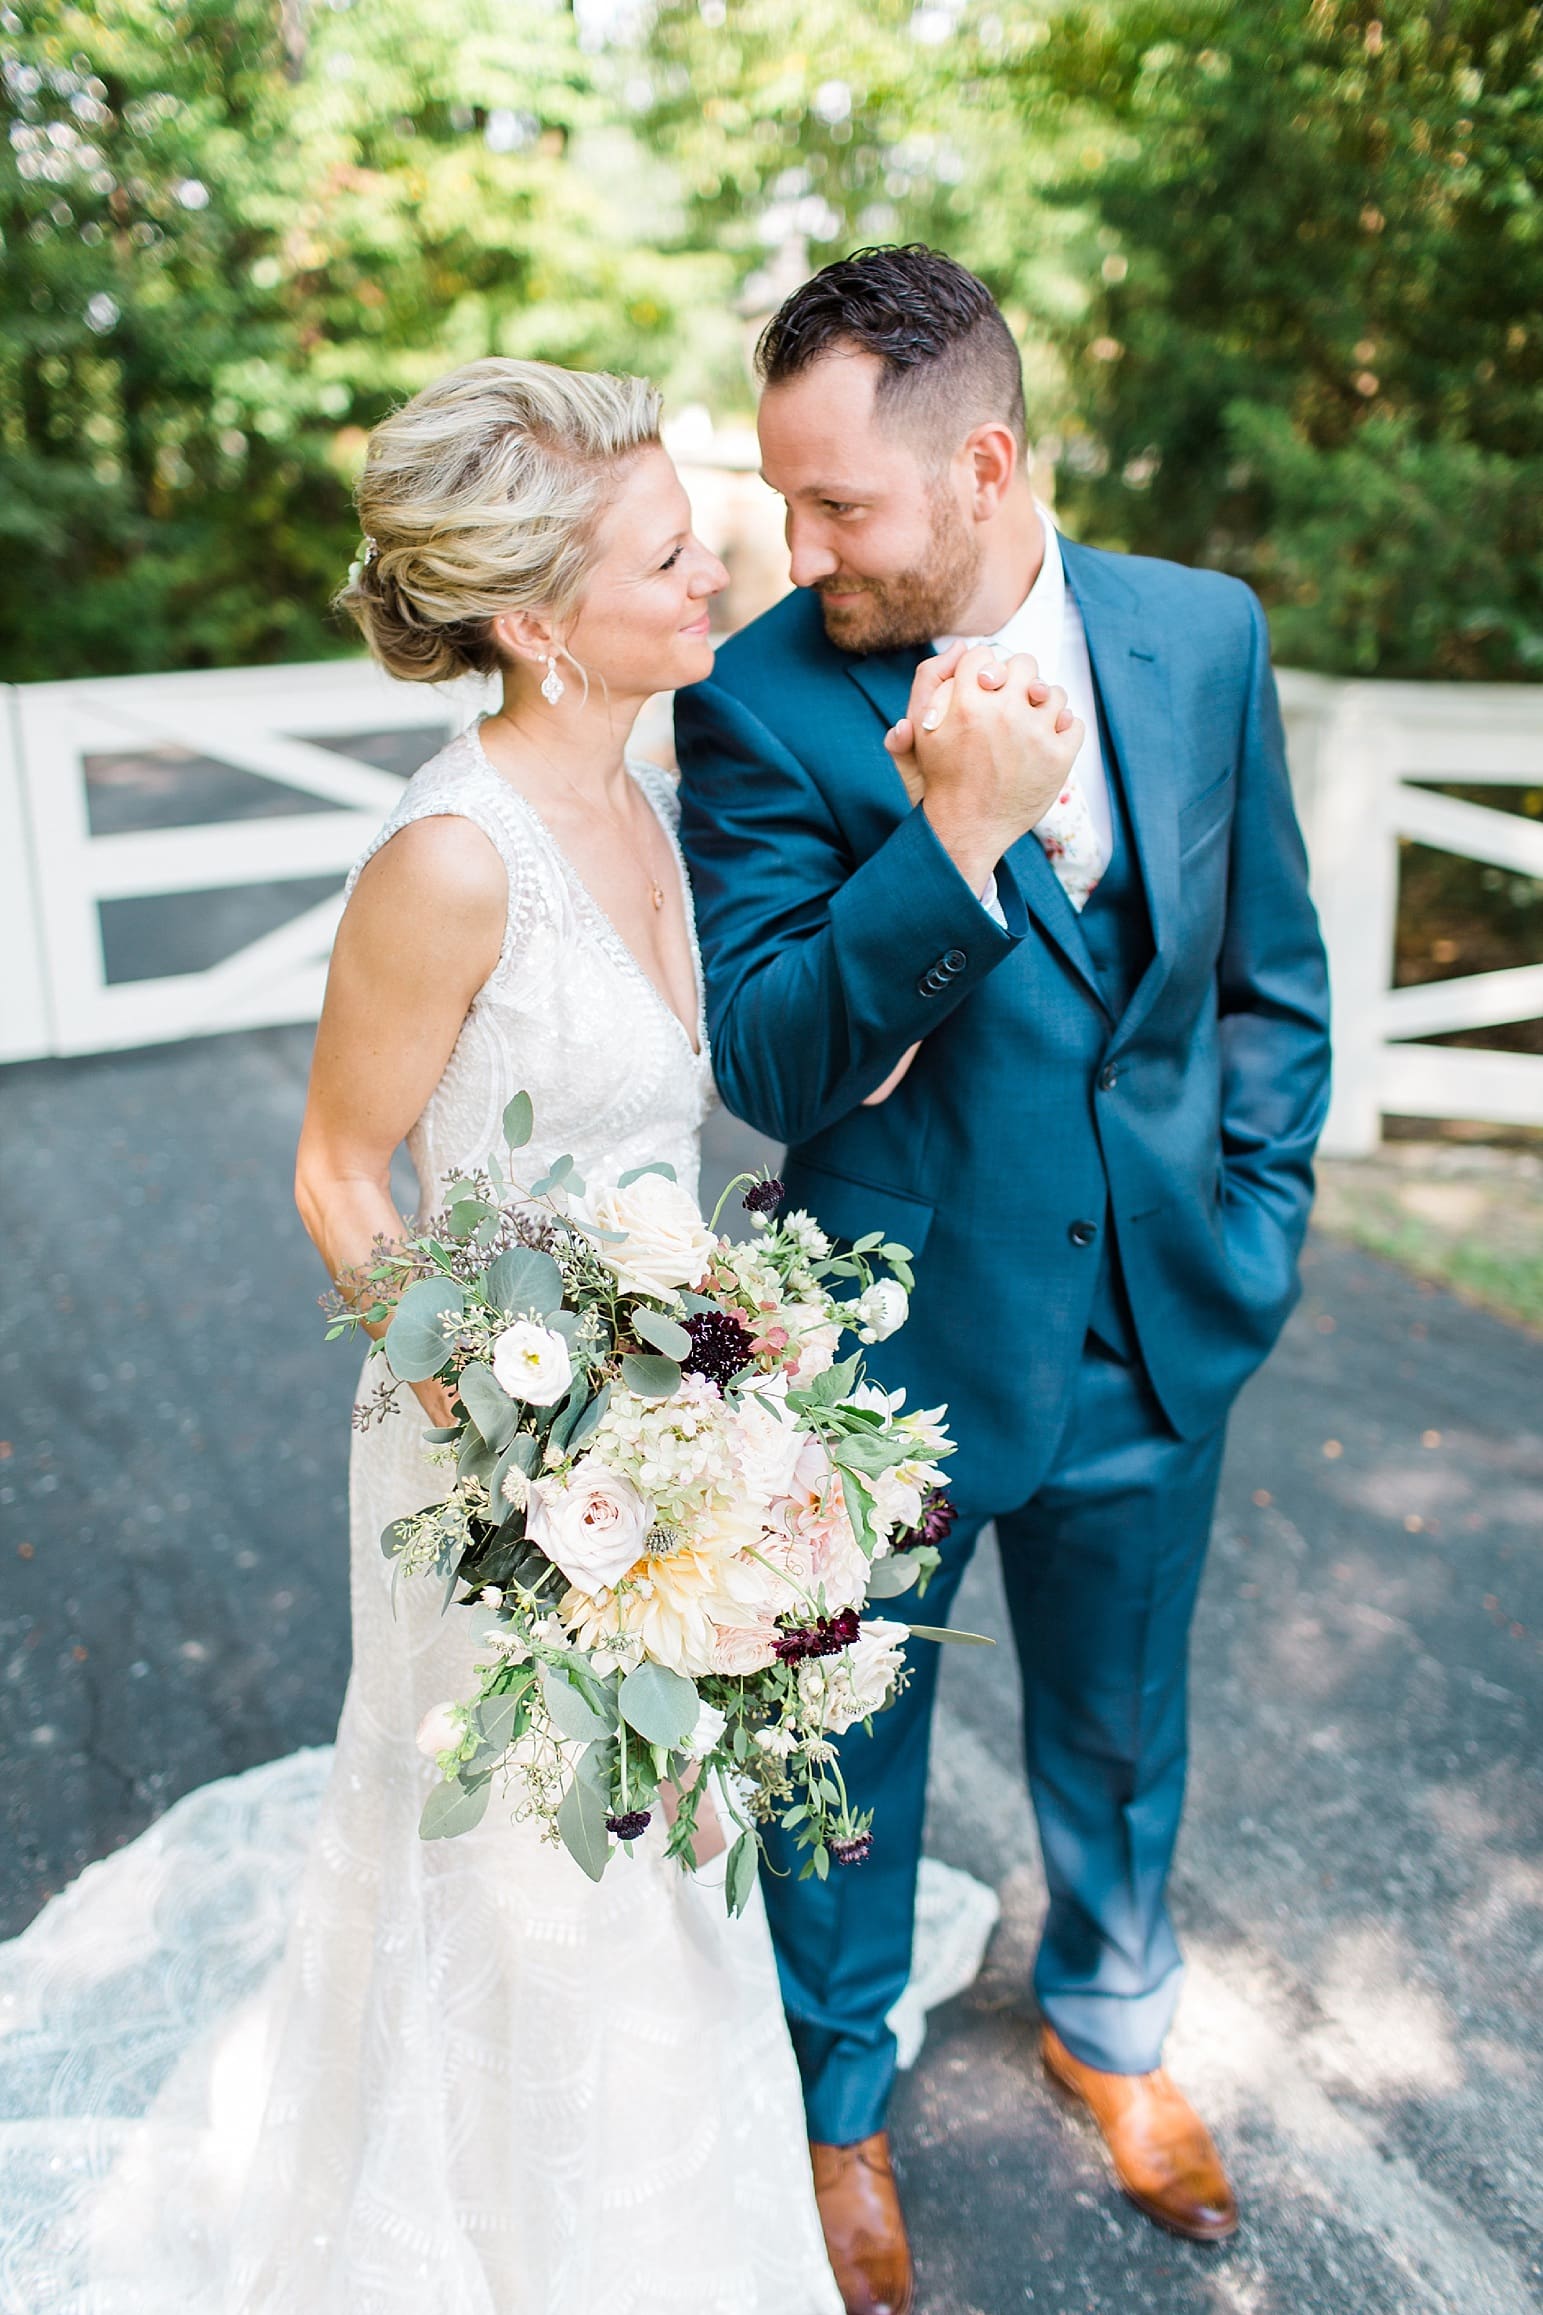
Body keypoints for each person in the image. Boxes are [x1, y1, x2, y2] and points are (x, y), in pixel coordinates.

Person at [9, 358, 849, 2315]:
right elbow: (337, 1178)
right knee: (533, 1887)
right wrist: (549, 1448)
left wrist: (702, 1423)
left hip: (666, 1439)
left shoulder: (643, 791)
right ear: (539, 623)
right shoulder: (452, 859)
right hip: (513, 1462)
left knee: (653, 1860)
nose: (713, 566)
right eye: (668, 553)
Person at [676, 245, 1332, 2315]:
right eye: (781, 501)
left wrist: (1254, 1222)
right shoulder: (764, 694)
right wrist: (946, 843)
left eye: (839, 506)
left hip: (1161, 1318)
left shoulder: (1195, 633)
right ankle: (837, 2102)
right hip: (884, 1348)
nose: (800, 548)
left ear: (984, 464)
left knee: (1125, 1727)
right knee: (840, 1756)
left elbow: (1263, 977)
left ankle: (1110, 2033)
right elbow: (771, 1056)